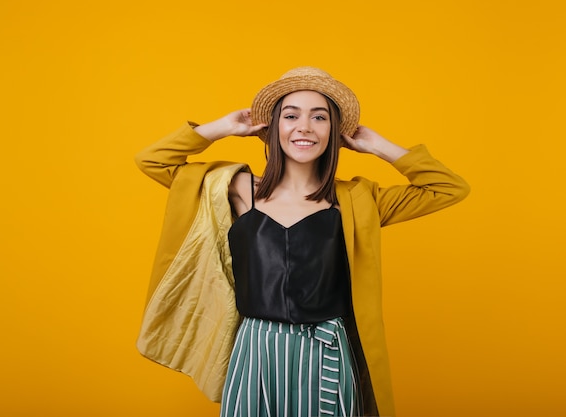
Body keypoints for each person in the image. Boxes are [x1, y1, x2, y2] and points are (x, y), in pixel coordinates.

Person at [135, 67, 470, 417]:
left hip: (328, 352)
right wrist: (223, 127)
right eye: (291, 115)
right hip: (257, 350)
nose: (305, 127)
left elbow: (449, 188)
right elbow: (153, 161)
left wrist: (377, 146)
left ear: (335, 131)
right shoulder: (236, 190)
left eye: (320, 117)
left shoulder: (358, 201)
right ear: (273, 126)